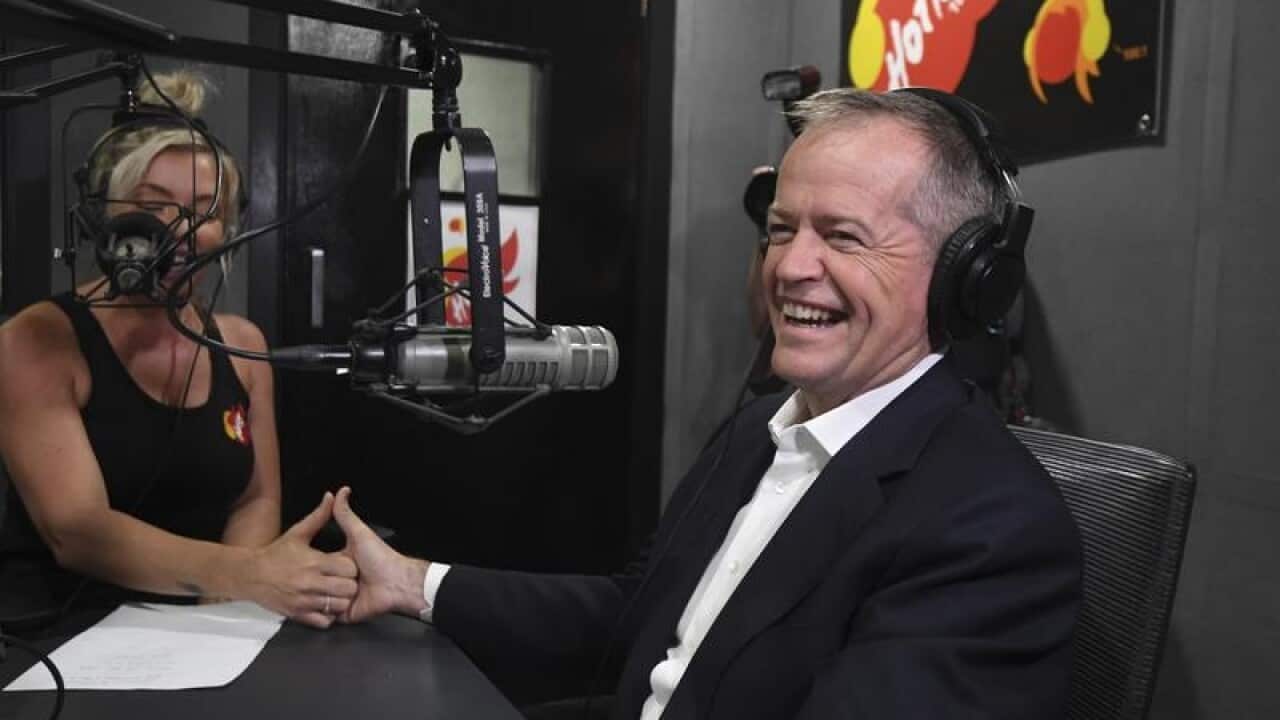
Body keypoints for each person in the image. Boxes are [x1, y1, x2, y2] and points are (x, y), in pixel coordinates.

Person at [330, 87, 1083, 717]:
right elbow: (640, 616)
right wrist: (414, 581)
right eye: (781, 230)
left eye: (843, 237)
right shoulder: (758, 430)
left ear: (967, 277)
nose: (790, 267)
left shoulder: (993, 530)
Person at [0, 71, 355, 629]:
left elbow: (255, 502)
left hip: (204, 634)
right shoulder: (35, 342)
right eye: (154, 203)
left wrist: (225, 615)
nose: (183, 229)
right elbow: (78, 529)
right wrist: (243, 575)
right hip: (61, 642)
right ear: (102, 217)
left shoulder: (242, 347)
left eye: (207, 210)